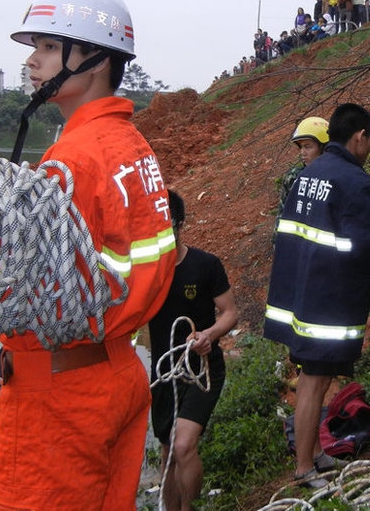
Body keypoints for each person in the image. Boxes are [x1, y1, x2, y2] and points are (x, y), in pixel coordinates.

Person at [0, 0, 178, 509]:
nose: (32, 61)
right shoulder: (133, 147)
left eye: (48, 47)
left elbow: (0, 294)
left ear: (92, 59)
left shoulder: (73, 161)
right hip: (118, 373)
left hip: (60, 398)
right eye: (34, 48)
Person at [264, 103, 370, 488]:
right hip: (326, 300)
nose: (369, 146)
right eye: (369, 139)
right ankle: (305, 468)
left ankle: (317, 454)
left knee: (318, 378)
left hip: (301, 292)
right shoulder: (353, 181)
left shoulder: (311, 174)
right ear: (359, 136)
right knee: (313, 379)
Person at [148, 191, 237, 511]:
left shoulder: (205, 264)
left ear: (178, 222)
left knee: (184, 445)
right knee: (167, 449)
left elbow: (229, 312)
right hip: (163, 373)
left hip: (202, 368)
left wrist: (209, 334)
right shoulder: (147, 273)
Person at [277, 116, 330, 215]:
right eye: (301, 147)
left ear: (324, 148)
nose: (302, 152)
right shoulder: (294, 178)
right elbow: (282, 217)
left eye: (308, 146)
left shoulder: (338, 180)